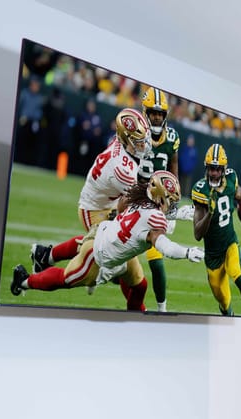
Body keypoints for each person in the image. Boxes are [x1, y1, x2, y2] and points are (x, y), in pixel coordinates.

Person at [11, 171, 204, 311]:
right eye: (170, 200)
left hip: (107, 234)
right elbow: (165, 246)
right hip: (99, 256)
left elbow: (125, 209)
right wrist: (187, 252)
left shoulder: (141, 195)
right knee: (65, 279)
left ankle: (136, 323)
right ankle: (24, 281)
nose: (171, 204)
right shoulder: (154, 219)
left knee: (140, 286)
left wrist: (176, 214)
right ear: (159, 197)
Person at [31, 107, 152, 275]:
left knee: (107, 245)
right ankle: (40, 275)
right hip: (93, 208)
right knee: (113, 256)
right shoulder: (123, 169)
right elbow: (136, 201)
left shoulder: (120, 143)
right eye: (138, 141)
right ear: (126, 139)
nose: (144, 145)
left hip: (107, 200)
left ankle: (45, 255)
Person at [191, 144, 241, 317]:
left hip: (229, 242)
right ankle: (229, 317)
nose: (214, 173)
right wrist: (209, 213)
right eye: (211, 168)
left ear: (223, 169)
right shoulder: (201, 190)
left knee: (237, 272)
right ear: (206, 168)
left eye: (217, 169)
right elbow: (197, 234)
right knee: (223, 300)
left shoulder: (230, 179)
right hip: (212, 256)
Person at [138, 86, 183, 312]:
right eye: (153, 112)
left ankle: (162, 310)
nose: (157, 117)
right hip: (134, 198)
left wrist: (173, 203)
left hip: (156, 204)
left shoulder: (172, 137)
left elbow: (173, 167)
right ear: (145, 112)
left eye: (160, 113)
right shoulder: (136, 133)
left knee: (156, 261)